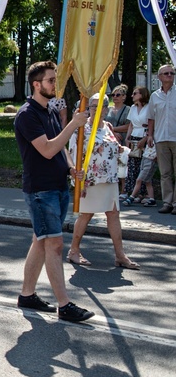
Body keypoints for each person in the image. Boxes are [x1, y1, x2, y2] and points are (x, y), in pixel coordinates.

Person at [13, 61, 94, 322]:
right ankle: (64, 305)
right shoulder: (27, 114)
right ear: (36, 84)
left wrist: (71, 167)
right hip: (41, 190)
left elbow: (61, 148)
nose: (55, 85)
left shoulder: (48, 110)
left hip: (57, 186)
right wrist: (73, 124)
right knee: (55, 245)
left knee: (41, 240)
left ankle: (27, 294)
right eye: (51, 80)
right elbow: (47, 149)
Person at [66, 94, 137, 270]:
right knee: (86, 215)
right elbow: (70, 151)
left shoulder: (108, 127)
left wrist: (123, 151)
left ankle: (120, 255)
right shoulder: (80, 128)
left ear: (106, 109)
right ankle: (74, 250)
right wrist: (74, 173)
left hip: (109, 178)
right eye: (92, 106)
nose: (96, 110)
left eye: (100, 106)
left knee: (113, 214)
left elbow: (112, 148)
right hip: (89, 179)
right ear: (88, 108)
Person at [146, 64, 176, 214]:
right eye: (166, 73)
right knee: (165, 173)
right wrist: (150, 135)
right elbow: (151, 117)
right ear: (159, 77)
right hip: (161, 137)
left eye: (172, 73)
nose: (170, 75)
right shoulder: (154, 96)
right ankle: (167, 202)